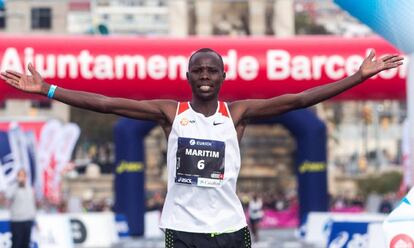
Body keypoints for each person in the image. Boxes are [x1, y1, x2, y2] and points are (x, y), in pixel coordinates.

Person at [1, 48, 403, 248]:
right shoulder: (169, 112)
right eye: (200, 70)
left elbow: (299, 100)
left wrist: (358, 77)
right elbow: (105, 104)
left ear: (224, 76)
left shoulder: (239, 112)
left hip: (231, 230)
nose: (206, 76)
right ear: (188, 75)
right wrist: (49, 89)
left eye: (213, 70)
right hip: (181, 229)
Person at [4, 169, 36, 248]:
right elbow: (8, 195)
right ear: (17, 177)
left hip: (28, 220)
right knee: (16, 244)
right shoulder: (14, 187)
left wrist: (34, 218)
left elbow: (32, 205)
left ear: (26, 177)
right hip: (17, 221)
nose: (22, 178)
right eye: (20, 175)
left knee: (26, 244)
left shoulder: (29, 188)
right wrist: (16, 183)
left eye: (23, 176)